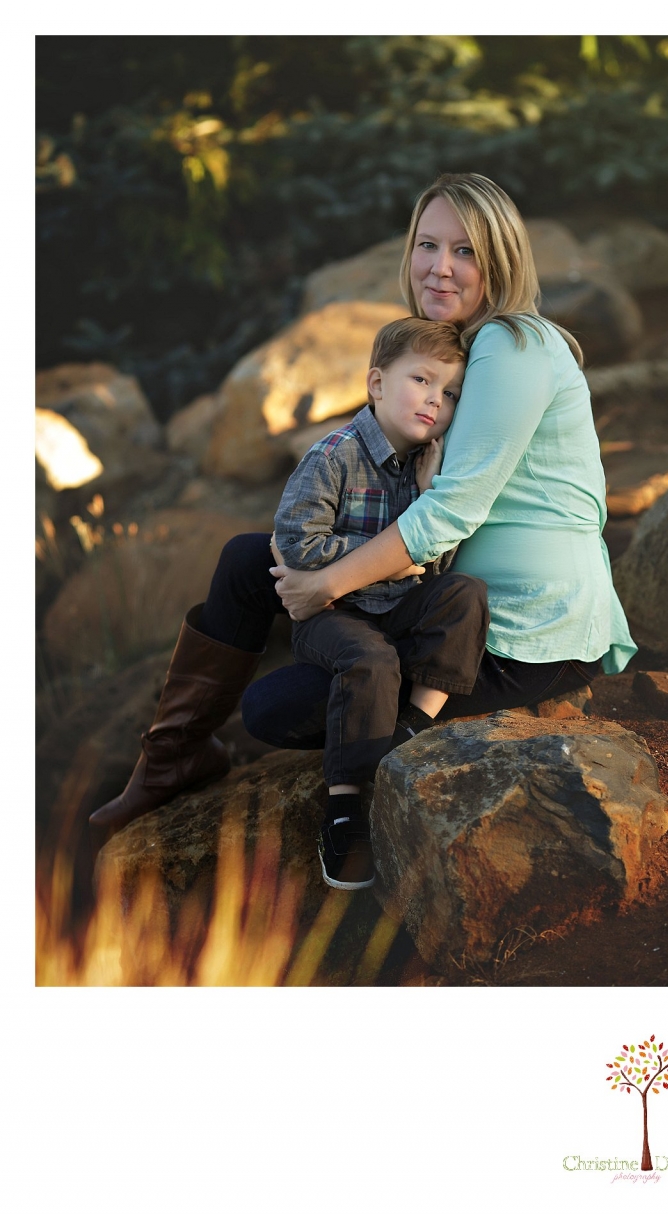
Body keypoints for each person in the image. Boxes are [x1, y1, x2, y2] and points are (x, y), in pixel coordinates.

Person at [90, 171, 636, 872]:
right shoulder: (461, 351)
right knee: (244, 559)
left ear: (501, 260)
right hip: (452, 604)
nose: (441, 266)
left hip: (520, 633)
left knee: (273, 708)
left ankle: (335, 788)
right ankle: (170, 760)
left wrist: (324, 586)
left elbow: (452, 510)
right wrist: (319, 560)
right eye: (428, 245)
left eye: (466, 251)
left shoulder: (511, 344)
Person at [271, 316, 489, 889]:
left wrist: (425, 493)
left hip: (397, 607)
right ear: (375, 384)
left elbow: (433, 566)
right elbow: (297, 543)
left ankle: (411, 729)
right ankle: (344, 806)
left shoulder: (425, 467)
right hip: (331, 615)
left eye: (449, 394)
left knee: (465, 594)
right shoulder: (333, 456)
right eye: (421, 380)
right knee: (370, 661)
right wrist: (385, 550)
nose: (434, 401)